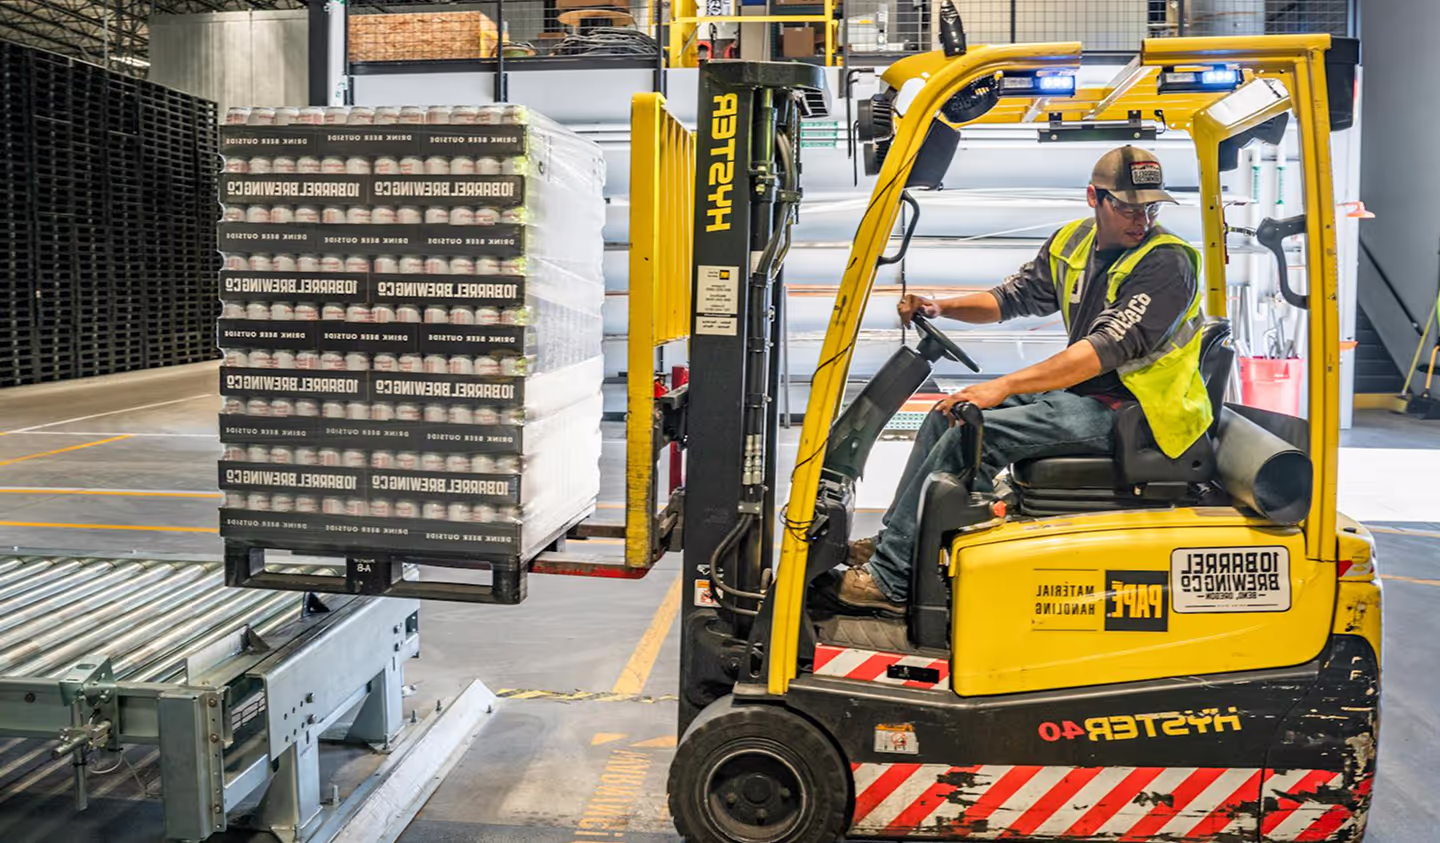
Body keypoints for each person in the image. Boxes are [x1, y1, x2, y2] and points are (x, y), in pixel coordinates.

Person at [837, 145, 1211, 614]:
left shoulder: (1166, 263)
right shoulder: (1073, 243)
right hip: (1090, 396)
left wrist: (1005, 386)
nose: (1142, 219)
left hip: (1139, 414)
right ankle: (898, 544)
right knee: (946, 415)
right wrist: (943, 306)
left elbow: (1100, 352)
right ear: (1093, 198)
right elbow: (1010, 298)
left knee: (976, 434)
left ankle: (892, 580)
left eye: (1151, 207)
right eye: (1129, 207)